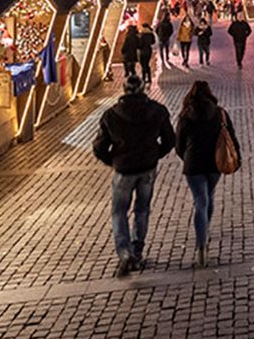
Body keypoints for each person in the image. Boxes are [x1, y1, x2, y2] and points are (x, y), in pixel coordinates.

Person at [92, 74, 175, 275]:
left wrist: (113, 161)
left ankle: (124, 252)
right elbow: (169, 140)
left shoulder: (111, 115)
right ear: (143, 89)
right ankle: (137, 251)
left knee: (119, 211)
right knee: (142, 209)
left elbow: (99, 147)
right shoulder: (157, 111)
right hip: (147, 168)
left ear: (124, 90)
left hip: (123, 170)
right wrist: (155, 154)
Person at [175, 80, 240, 268]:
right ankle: (205, 228)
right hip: (214, 163)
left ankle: (201, 245)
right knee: (209, 196)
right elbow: (231, 137)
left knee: (200, 201)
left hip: (193, 166)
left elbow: (179, 144)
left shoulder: (185, 116)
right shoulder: (220, 114)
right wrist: (237, 158)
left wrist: (186, 157)